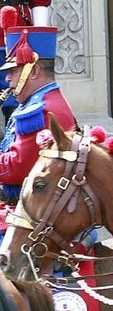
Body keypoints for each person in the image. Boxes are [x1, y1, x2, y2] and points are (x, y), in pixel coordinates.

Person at [0, 21, 77, 204]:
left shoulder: (39, 110)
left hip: (33, 213)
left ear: (33, 71)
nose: (7, 78)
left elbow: (16, 170)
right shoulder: (41, 101)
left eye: (14, 71)